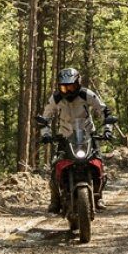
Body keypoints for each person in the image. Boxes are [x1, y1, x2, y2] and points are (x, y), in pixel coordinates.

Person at [39, 67, 111, 214]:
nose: (68, 91)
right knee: (56, 166)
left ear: (78, 84)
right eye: (64, 87)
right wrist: (46, 134)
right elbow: (45, 117)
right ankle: (55, 199)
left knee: (98, 162)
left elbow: (104, 110)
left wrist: (107, 129)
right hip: (65, 137)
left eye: (71, 86)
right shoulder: (56, 98)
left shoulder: (86, 94)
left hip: (88, 135)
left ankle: (99, 197)